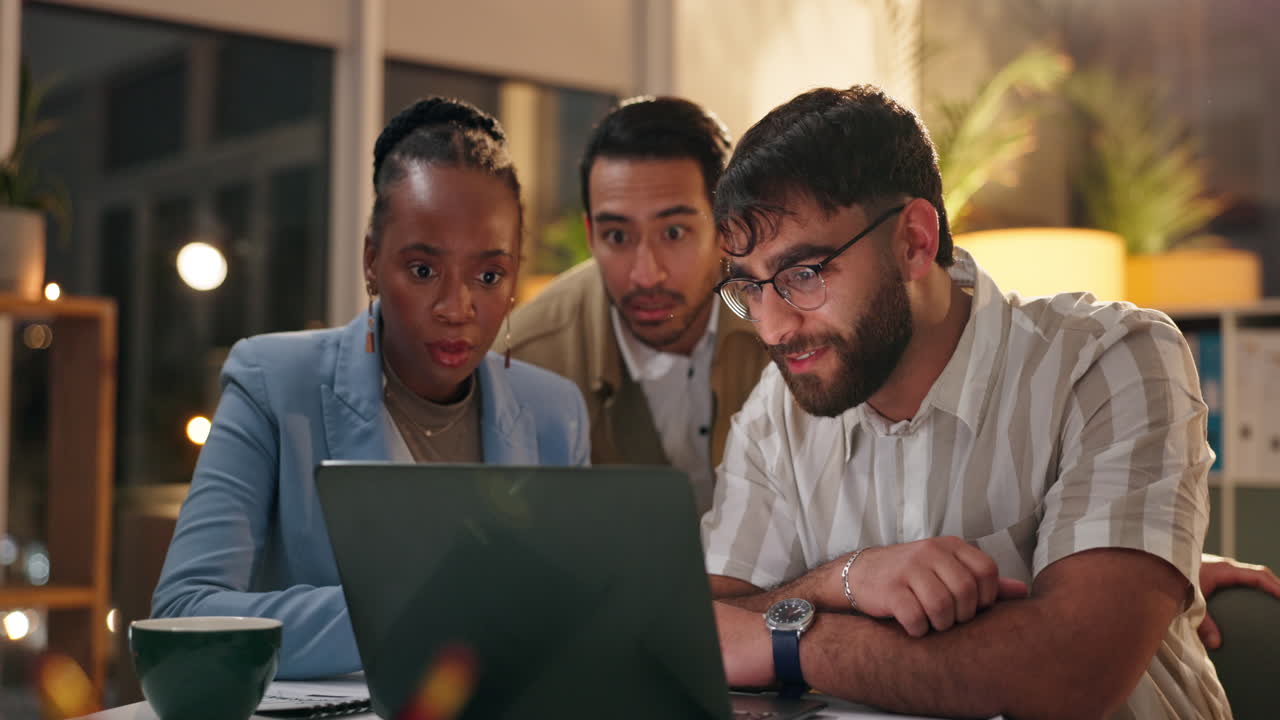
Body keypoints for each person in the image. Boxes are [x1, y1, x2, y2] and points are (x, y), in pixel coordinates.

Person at [702, 85, 1231, 719]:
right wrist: (847, 579)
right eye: (750, 288)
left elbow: (1071, 675)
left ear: (915, 242)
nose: (773, 327)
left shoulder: (1109, 360)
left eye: (804, 275)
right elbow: (699, 623)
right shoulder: (778, 405)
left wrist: (790, 639)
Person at [152, 98, 590, 679]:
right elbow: (183, 616)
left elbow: (571, 627)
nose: (456, 308)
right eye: (422, 270)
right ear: (371, 261)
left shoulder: (555, 414)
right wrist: (416, 614)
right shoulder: (273, 384)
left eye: (488, 275)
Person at [506, 96, 767, 513]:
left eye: (674, 232)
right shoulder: (525, 363)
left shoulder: (787, 327)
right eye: (617, 237)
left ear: (727, 229)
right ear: (590, 235)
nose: (646, 275)